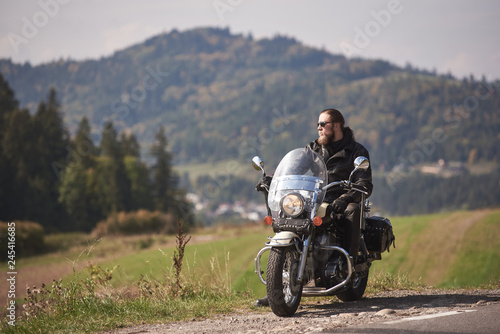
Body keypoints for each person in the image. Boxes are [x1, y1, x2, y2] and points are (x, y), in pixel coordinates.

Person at [254, 108, 373, 307]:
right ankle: (277, 290)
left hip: (339, 199)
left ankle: (350, 265)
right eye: (318, 124)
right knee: (287, 216)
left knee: (352, 209)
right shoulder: (312, 148)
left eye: (322, 124)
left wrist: (344, 198)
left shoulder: (356, 151)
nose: (318, 128)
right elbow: (294, 171)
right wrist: (272, 180)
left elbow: (364, 185)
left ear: (335, 126)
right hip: (314, 198)